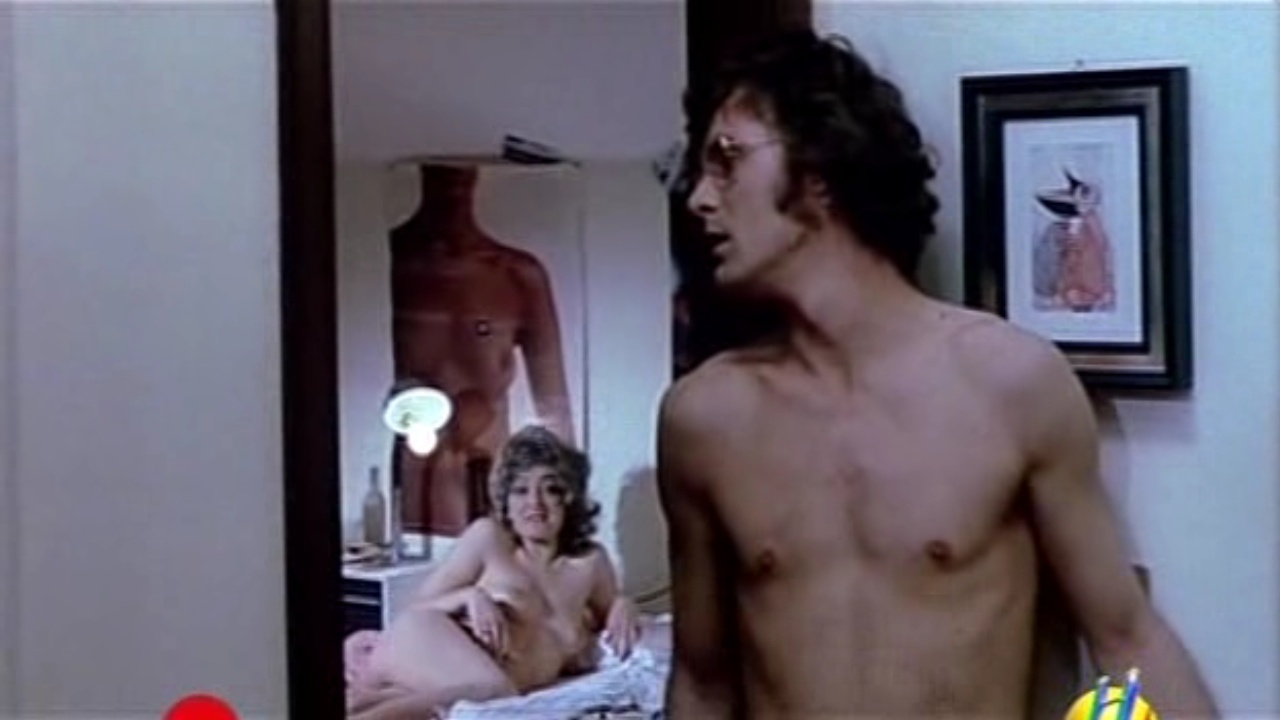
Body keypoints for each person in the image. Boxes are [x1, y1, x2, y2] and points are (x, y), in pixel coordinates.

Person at [656, 29, 1218, 720]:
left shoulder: (1010, 382)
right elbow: (703, 683)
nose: (699, 199)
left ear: (820, 170)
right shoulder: (705, 419)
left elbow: (1126, 638)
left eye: (727, 160)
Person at [346, 425, 639, 720]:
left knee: (488, 696)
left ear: (569, 498)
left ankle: (369, 704)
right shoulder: (488, 538)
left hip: (463, 679)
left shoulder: (590, 562)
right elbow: (415, 609)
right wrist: (469, 597)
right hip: (425, 639)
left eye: (550, 489)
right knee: (497, 695)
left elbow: (613, 615)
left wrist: (625, 604)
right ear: (506, 503)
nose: (534, 503)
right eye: (520, 490)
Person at [390, 163, 576, 536]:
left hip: (490, 467)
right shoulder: (392, 260)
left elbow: (553, 404)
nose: (454, 178)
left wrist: (567, 506)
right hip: (420, 466)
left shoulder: (516, 274)